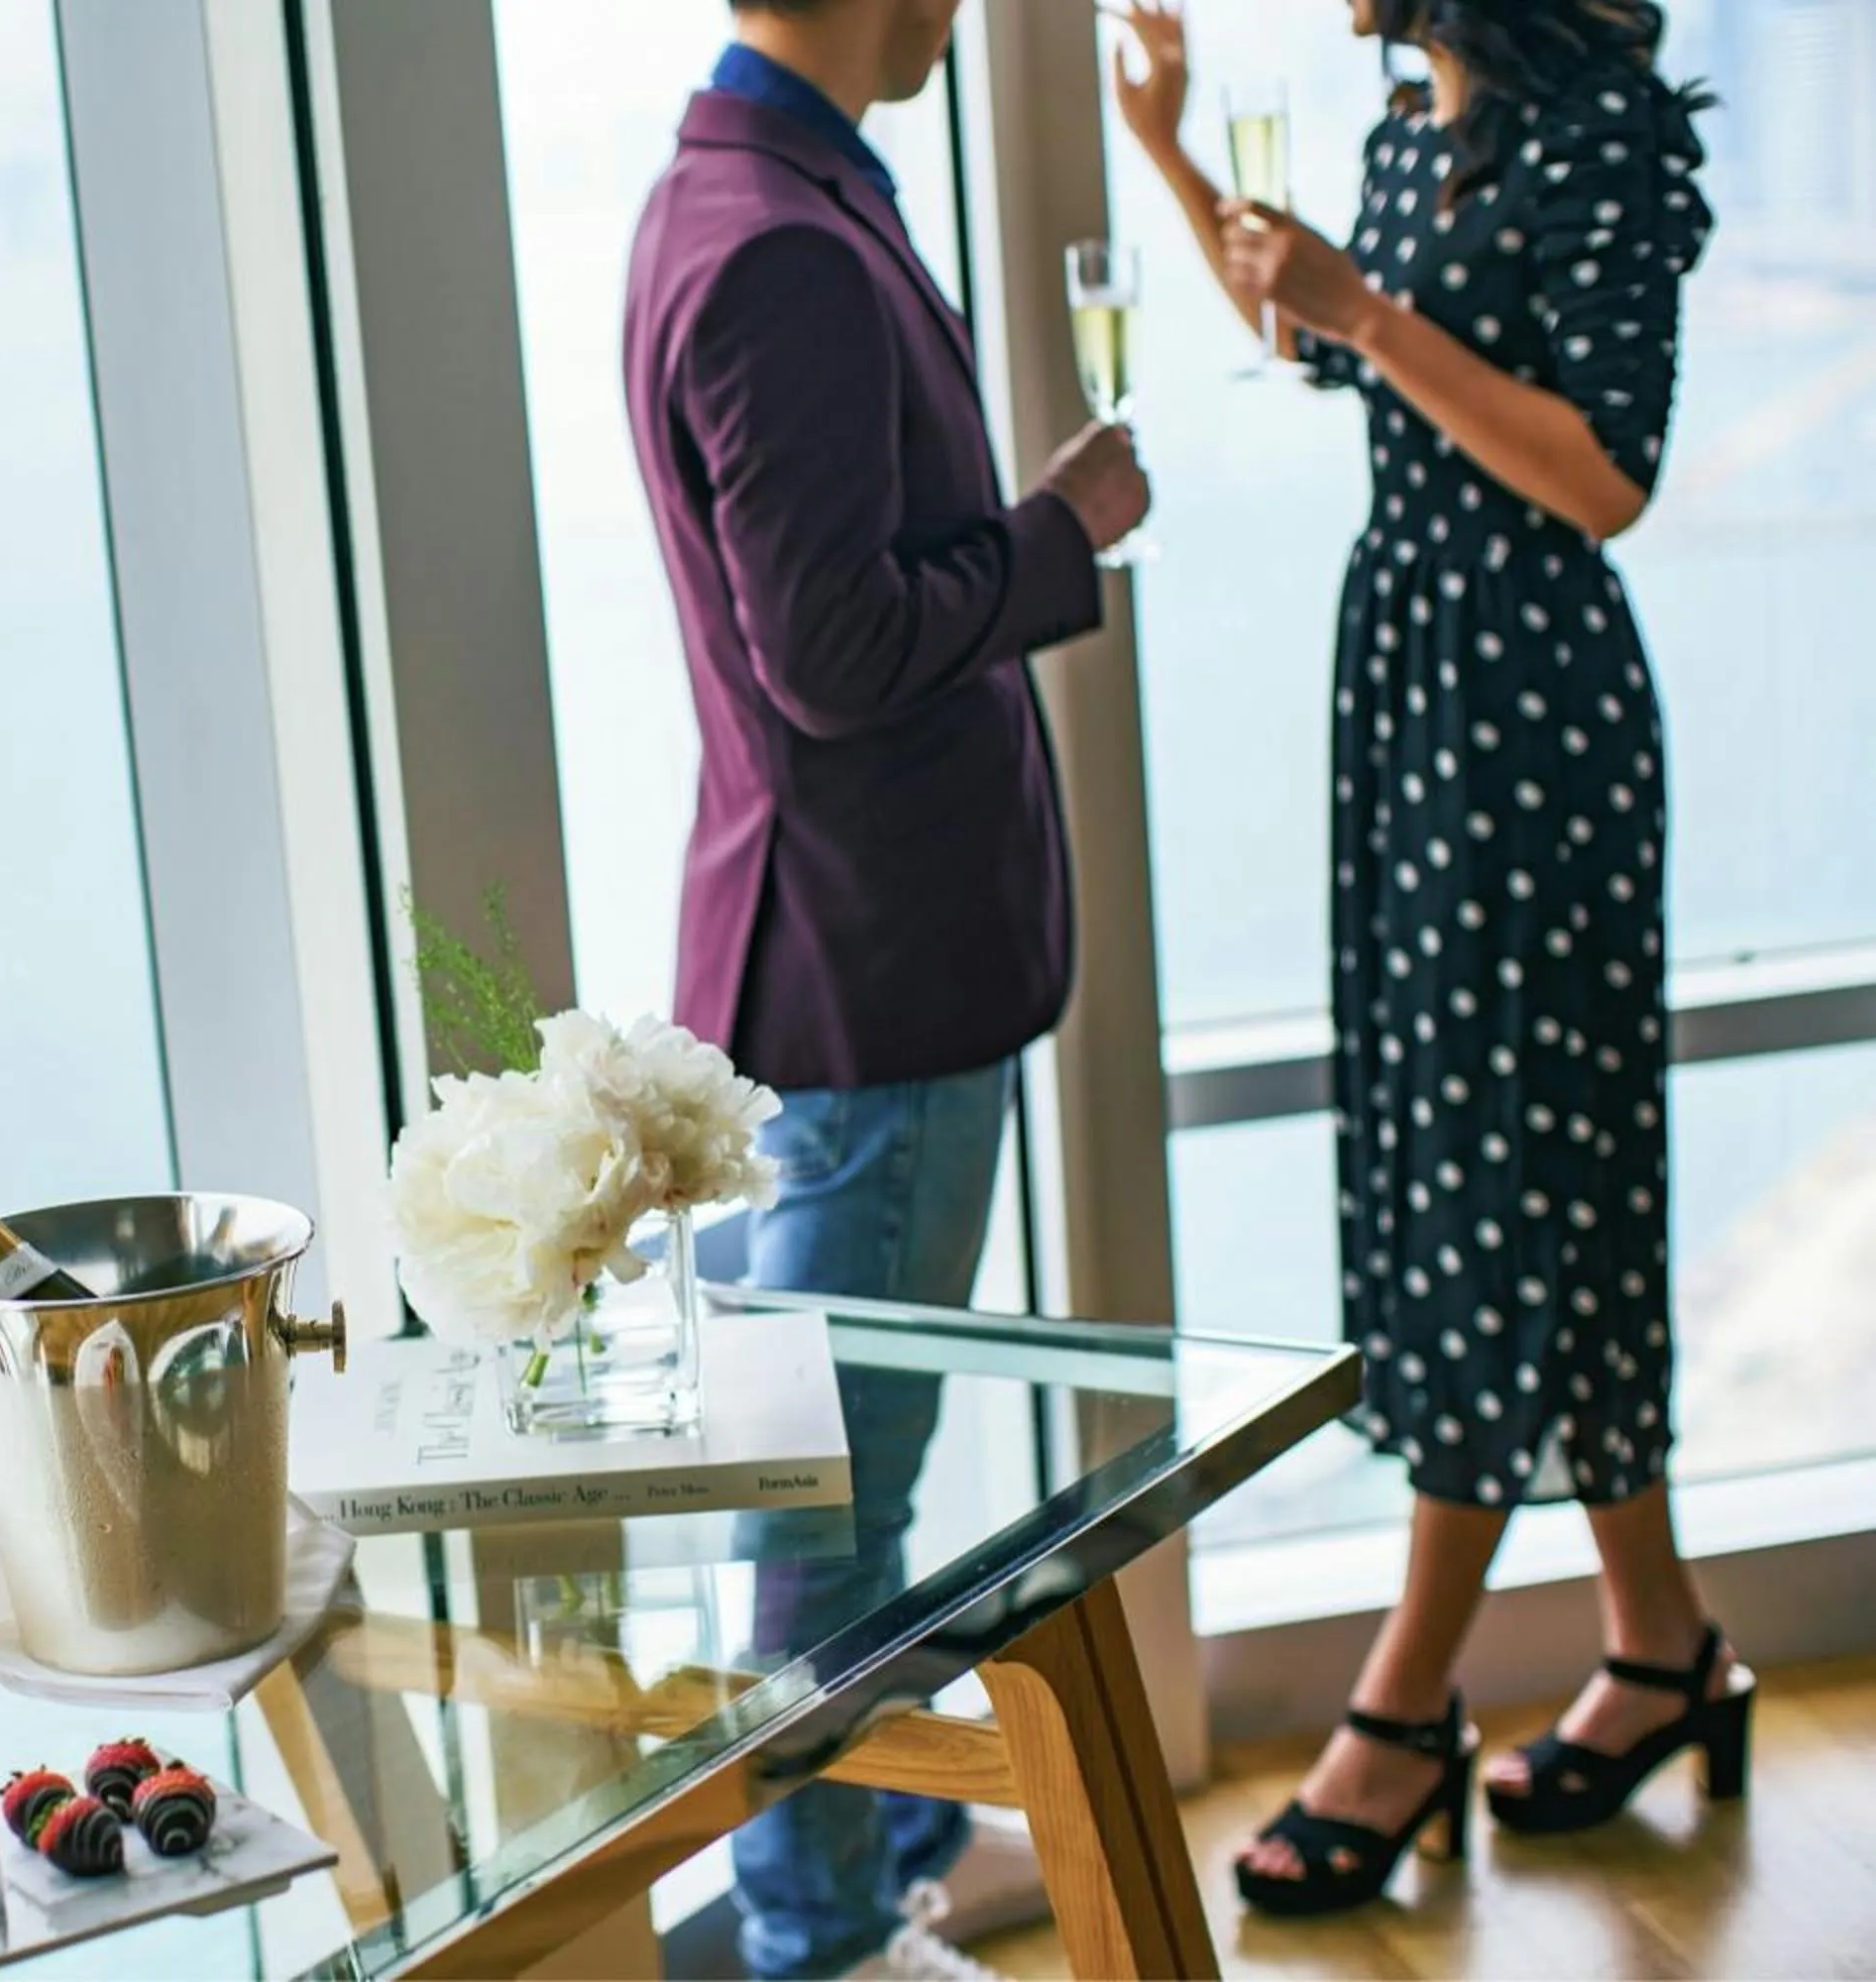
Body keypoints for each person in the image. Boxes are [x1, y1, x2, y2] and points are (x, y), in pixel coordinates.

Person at [1115, 0, 1741, 1919]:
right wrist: (1172, 149)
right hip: (1409, 672)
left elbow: (1602, 473)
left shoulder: (1610, 138)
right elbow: (1321, 347)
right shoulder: (1408, 128)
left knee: (1496, 1173)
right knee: (1501, 1160)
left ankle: (1401, 1709)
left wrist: (1373, 315)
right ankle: (1660, 1646)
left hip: (1532, 701)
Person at [623, 1, 1150, 1971]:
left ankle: (849, 1881)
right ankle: (816, 1936)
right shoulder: (773, 241)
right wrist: (1061, 535)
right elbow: (834, 651)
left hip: (844, 981)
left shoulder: (741, 195)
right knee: (829, 1512)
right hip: (876, 996)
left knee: (833, 1486)